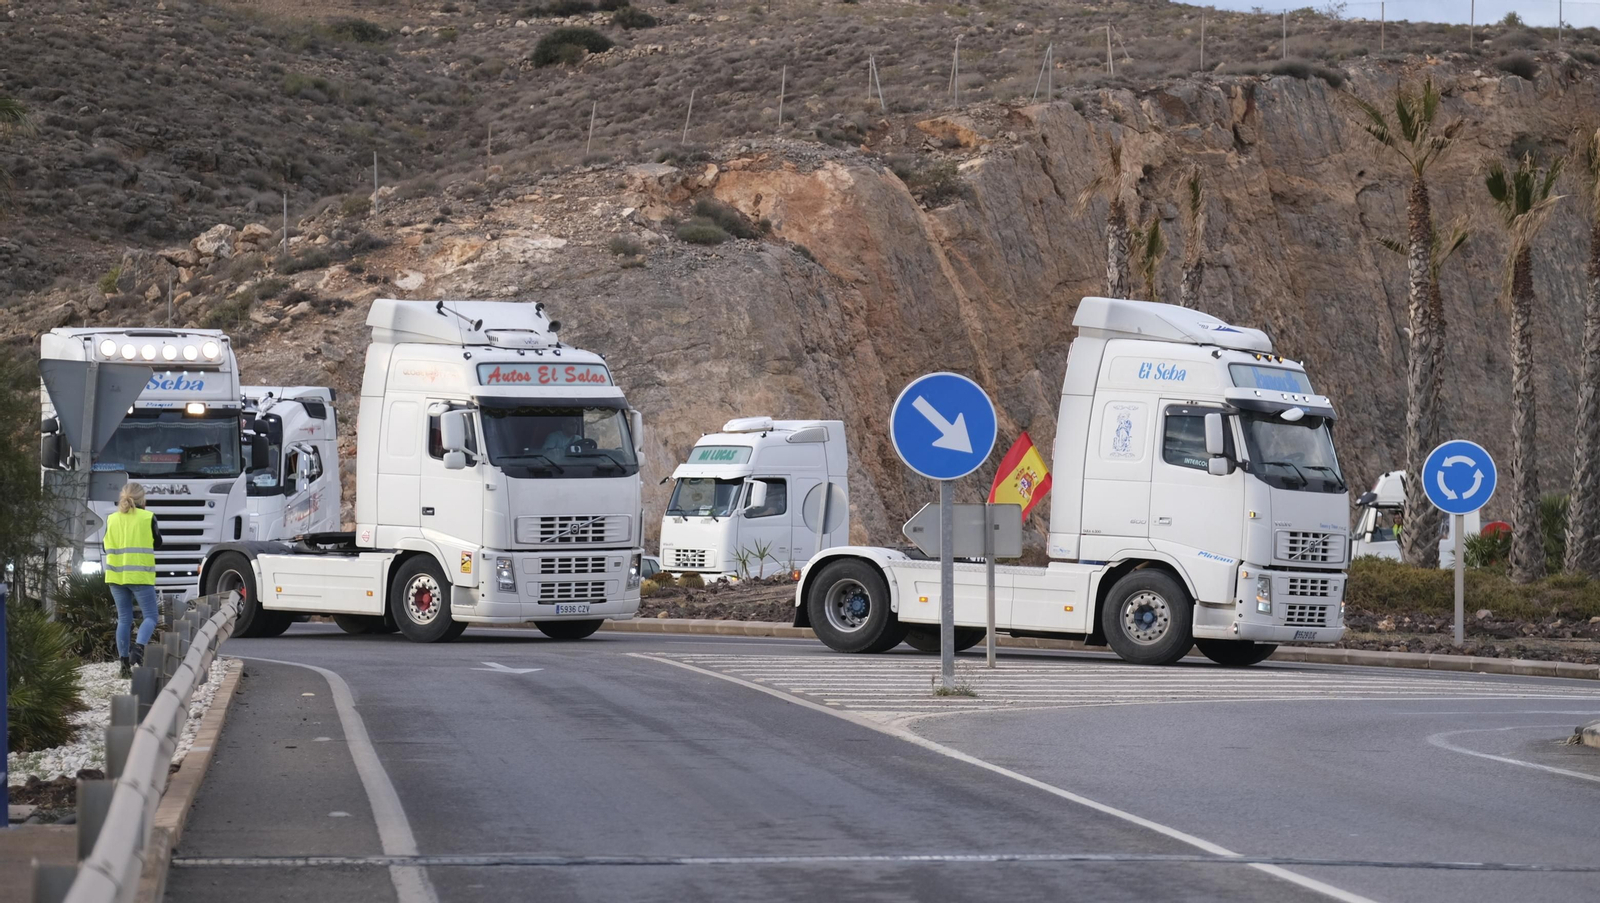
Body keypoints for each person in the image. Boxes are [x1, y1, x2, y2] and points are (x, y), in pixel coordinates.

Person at [105, 482, 162, 678]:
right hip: (140, 576)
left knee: (124, 619)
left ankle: (124, 667)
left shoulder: (111, 519)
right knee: (151, 616)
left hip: (116, 576)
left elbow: (106, 547)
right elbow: (158, 542)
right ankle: (138, 649)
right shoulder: (148, 517)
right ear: (142, 499)